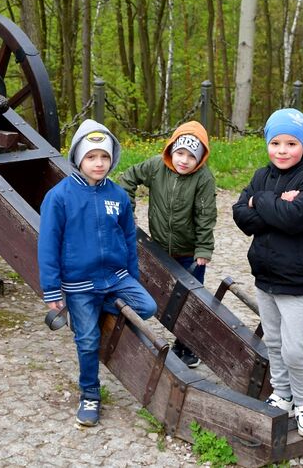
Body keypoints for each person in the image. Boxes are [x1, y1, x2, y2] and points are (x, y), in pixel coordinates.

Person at [38, 119, 157, 428]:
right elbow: (48, 244)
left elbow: (129, 238)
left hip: (116, 277)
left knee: (147, 307)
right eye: (92, 157)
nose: (99, 163)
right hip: (80, 283)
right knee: (88, 341)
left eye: (104, 157)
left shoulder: (117, 196)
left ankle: (97, 312)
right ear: (79, 158)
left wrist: (131, 275)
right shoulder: (60, 196)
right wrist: (52, 290)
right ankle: (90, 393)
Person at [231, 108, 303, 438]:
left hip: (297, 280)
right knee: (273, 341)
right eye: (275, 143)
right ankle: (282, 393)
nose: (282, 150)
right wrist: (272, 201)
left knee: (295, 348)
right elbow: (242, 216)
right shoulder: (261, 176)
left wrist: (261, 204)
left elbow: (296, 217)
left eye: (290, 143)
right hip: (266, 275)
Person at [118, 121, 216, 369]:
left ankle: (186, 346)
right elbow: (128, 178)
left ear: (200, 158)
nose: (184, 160)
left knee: (190, 299)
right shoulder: (156, 166)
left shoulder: (203, 179)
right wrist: (128, 212)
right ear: (171, 150)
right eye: (180, 153)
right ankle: (134, 331)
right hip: (159, 246)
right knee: (155, 289)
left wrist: (204, 248)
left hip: (189, 252)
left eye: (191, 156)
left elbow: (206, 214)